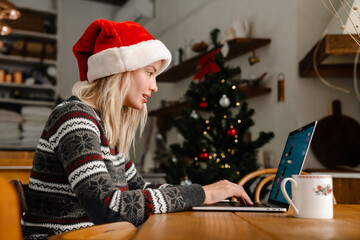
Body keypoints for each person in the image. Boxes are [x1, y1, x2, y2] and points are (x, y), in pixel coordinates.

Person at [22, 19, 253, 239]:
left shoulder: (102, 125)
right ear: (120, 71)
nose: (154, 87)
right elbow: (107, 207)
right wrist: (203, 194)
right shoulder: (74, 117)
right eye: (150, 73)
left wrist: (202, 193)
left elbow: (140, 187)